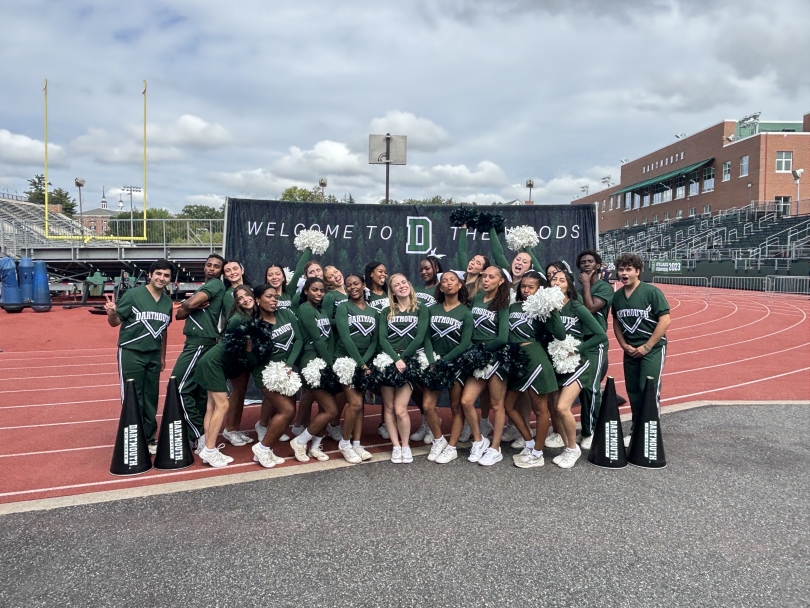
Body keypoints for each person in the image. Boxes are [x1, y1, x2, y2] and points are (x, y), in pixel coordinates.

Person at [105, 259, 174, 454]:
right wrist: (111, 313)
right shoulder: (133, 295)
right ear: (150, 275)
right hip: (131, 351)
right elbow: (115, 322)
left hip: (153, 354)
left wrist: (162, 356)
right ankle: (133, 437)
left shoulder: (167, 302)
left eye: (166, 275)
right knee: (133, 396)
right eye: (158, 274)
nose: (162, 278)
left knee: (151, 397)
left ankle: (150, 438)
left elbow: (163, 331)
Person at [194, 285, 261, 467]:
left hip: (215, 362)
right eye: (240, 298)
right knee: (222, 405)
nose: (245, 299)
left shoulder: (250, 317)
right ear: (237, 303)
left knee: (211, 406)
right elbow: (245, 350)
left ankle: (206, 445)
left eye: (247, 295)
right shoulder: (239, 319)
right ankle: (210, 450)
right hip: (214, 363)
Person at [547, 269, 608, 469]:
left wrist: (576, 350)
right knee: (555, 411)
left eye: (562, 280)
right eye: (553, 279)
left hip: (578, 365)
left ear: (569, 285)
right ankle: (568, 448)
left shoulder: (576, 306)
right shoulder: (548, 308)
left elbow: (601, 335)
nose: (556, 282)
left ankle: (573, 449)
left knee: (562, 407)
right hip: (556, 365)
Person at [506, 271, 565, 469]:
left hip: (535, 359)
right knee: (508, 406)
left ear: (539, 289)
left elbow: (560, 334)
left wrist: (552, 309)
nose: (526, 290)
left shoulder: (541, 309)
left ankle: (538, 454)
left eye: (531, 287)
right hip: (517, 360)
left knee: (540, 409)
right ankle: (530, 443)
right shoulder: (512, 306)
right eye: (524, 286)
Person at [611, 253, 671, 447]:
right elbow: (617, 322)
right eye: (621, 269)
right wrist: (623, 344)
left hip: (651, 349)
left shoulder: (651, 292)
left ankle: (649, 430)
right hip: (630, 350)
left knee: (649, 389)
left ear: (638, 271)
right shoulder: (618, 296)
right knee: (633, 390)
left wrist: (647, 346)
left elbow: (665, 320)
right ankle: (636, 429)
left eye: (628, 269)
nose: (624, 273)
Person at [457, 266, 511, 465]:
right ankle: (479, 440)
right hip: (477, 357)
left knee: (497, 405)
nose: (486, 280)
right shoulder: (477, 299)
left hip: (494, 358)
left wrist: (483, 350)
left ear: (501, 281)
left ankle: (495, 448)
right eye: (484, 276)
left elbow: (503, 337)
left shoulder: (503, 303)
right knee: (467, 401)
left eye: (491, 277)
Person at [171, 254, 226, 449]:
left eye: (216, 266)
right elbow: (179, 314)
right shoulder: (205, 286)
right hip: (199, 342)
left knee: (177, 387)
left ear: (221, 271)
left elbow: (187, 306)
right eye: (208, 265)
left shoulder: (215, 285)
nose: (211, 268)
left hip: (200, 343)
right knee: (200, 391)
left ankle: (198, 432)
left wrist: (190, 304)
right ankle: (202, 435)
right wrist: (189, 305)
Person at [422, 271, 474, 463]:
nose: (449, 283)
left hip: (455, 365)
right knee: (427, 406)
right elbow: (425, 337)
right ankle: (439, 440)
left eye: (453, 280)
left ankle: (451, 447)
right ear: (440, 287)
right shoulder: (431, 309)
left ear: (460, 285)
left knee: (455, 407)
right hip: (434, 363)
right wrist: (431, 360)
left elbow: (464, 344)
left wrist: (445, 362)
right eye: (445, 281)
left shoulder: (466, 313)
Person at [251, 284, 304, 468]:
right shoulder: (255, 324)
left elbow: (298, 339)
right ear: (258, 300)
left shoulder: (286, 315)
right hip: (267, 374)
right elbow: (253, 357)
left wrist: (289, 364)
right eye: (269, 296)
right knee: (287, 410)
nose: (274, 299)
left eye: (275, 296)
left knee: (291, 412)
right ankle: (263, 447)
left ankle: (266, 449)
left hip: (286, 370)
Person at [378, 273, 428, 463]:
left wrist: (404, 358)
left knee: (400, 409)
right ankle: (396, 446)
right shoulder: (386, 311)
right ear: (392, 290)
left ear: (409, 284)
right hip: (388, 361)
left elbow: (420, 337)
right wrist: (394, 358)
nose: (401, 286)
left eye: (404, 282)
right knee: (389, 408)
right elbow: (382, 338)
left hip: (409, 361)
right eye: (396, 284)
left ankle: (405, 445)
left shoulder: (420, 309)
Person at [289, 277, 341, 462]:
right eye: (314, 290)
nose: (318, 293)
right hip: (310, 360)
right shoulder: (304, 309)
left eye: (321, 290)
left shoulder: (321, 311)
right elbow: (317, 339)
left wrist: (331, 358)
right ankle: (299, 441)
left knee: (324, 407)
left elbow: (329, 338)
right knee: (331, 409)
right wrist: (330, 365)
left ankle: (315, 446)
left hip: (324, 359)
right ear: (306, 292)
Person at [333, 274, 379, 463]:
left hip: (364, 363)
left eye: (356, 284)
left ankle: (357, 443)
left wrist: (365, 363)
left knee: (359, 405)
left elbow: (374, 340)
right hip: (345, 361)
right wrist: (360, 363)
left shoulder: (374, 311)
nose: (352, 287)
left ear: (364, 285)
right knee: (355, 403)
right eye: (348, 285)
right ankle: (345, 443)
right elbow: (345, 338)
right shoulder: (343, 307)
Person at [576, 248, 614, 449]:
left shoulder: (604, 287)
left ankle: (592, 432)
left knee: (591, 388)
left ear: (598, 265)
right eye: (583, 262)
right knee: (583, 390)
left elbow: (590, 308)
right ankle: (587, 428)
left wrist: (585, 285)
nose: (587, 264)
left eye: (590, 261)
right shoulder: (577, 288)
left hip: (596, 344)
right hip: (580, 343)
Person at [221, 261, 256, 447]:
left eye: (235, 268)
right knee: (237, 391)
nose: (232, 272)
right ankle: (230, 429)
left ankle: (234, 427)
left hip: (249, 346)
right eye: (228, 271)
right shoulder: (229, 295)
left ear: (242, 269)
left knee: (241, 391)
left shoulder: (250, 289)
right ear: (225, 275)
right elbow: (233, 320)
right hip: (238, 347)